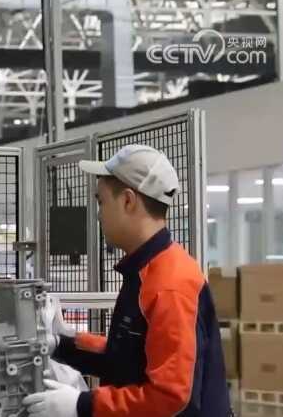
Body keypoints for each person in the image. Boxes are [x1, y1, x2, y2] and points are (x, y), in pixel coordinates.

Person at [22, 144, 231, 417]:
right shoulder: (145, 272)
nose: (98, 214)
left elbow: (172, 398)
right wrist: (61, 345)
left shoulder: (169, 285)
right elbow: (127, 358)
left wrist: (82, 405)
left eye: (101, 201)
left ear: (128, 201)